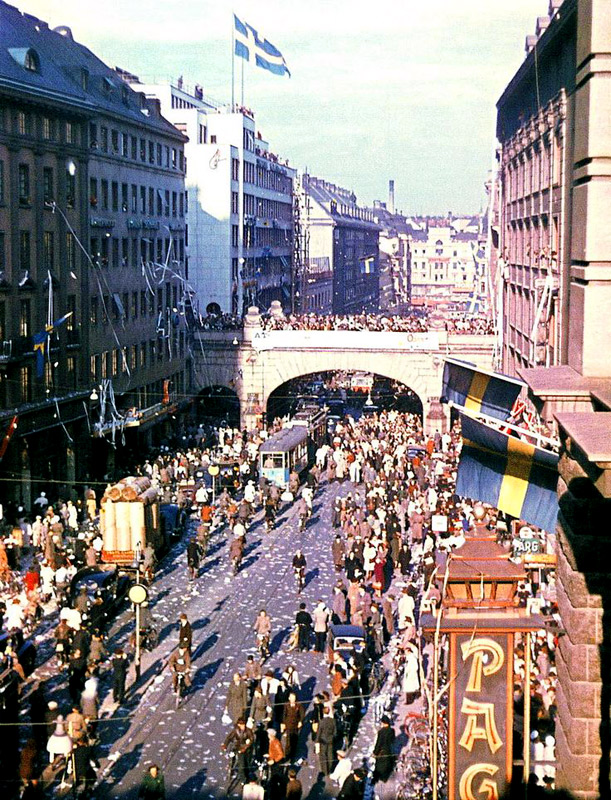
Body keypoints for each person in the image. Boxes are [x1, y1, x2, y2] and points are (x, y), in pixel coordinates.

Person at [222, 718, 253, 786]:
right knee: (238, 762)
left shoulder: (248, 731)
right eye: (241, 725)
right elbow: (229, 738)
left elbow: (251, 740)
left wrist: (245, 747)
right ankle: (240, 777)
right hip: (237, 747)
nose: (243, 726)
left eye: (243, 724)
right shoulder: (235, 730)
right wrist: (225, 745)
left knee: (244, 764)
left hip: (245, 749)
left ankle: (245, 778)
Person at [281, 692, 304, 761]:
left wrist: (301, 721)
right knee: (288, 741)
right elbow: (284, 714)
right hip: (288, 725)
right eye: (291, 698)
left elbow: (302, 714)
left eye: (294, 698)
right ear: (289, 698)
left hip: (295, 725)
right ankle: (287, 755)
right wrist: (283, 723)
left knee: (294, 740)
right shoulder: (286, 705)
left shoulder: (299, 705)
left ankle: (293, 755)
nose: (293, 699)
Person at [372, 715, 396, 783]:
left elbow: (379, 743)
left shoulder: (381, 732)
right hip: (388, 750)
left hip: (381, 751)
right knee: (387, 765)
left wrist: (375, 752)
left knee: (379, 766)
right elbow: (393, 740)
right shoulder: (392, 730)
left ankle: (378, 778)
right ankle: (385, 778)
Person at [314, 707, 337, 777]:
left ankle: (325, 770)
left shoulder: (321, 721)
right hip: (330, 740)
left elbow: (319, 732)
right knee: (330, 754)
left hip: (323, 740)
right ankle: (330, 769)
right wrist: (332, 737)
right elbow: (335, 732)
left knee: (323, 755)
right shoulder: (333, 721)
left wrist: (317, 741)